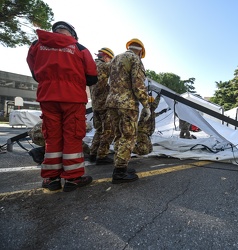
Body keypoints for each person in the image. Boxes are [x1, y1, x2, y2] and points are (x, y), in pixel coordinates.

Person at [26, 21, 98, 192]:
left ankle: (51, 179)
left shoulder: (38, 45)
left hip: (48, 97)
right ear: (72, 34)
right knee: (73, 137)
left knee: (52, 138)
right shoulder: (79, 48)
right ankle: (73, 178)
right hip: (72, 99)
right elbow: (92, 77)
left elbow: (35, 72)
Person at [106, 38, 151, 184]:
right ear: (140, 52)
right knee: (128, 136)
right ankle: (120, 172)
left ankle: (120, 166)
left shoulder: (115, 59)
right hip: (127, 104)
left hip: (111, 102)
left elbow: (109, 82)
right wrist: (146, 104)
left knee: (119, 135)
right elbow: (138, 85)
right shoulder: (135, 60)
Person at [89, 47, 116, 165]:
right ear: (106, 57)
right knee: (109, 131)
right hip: (104, 104)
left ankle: (93, 153)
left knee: (99, 130)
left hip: (95, 105)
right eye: (110, 59)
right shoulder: (105, 66)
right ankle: (102, 155)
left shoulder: (91, 66)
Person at [28, 121, 92, 165]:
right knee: (61, 145)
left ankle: (41, 152)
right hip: (40, 134)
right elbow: (80, 144)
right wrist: (91, 153)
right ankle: (37, 152)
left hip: (39, 132)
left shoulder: (72, 122)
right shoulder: (74, 128)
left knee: (61, 143)